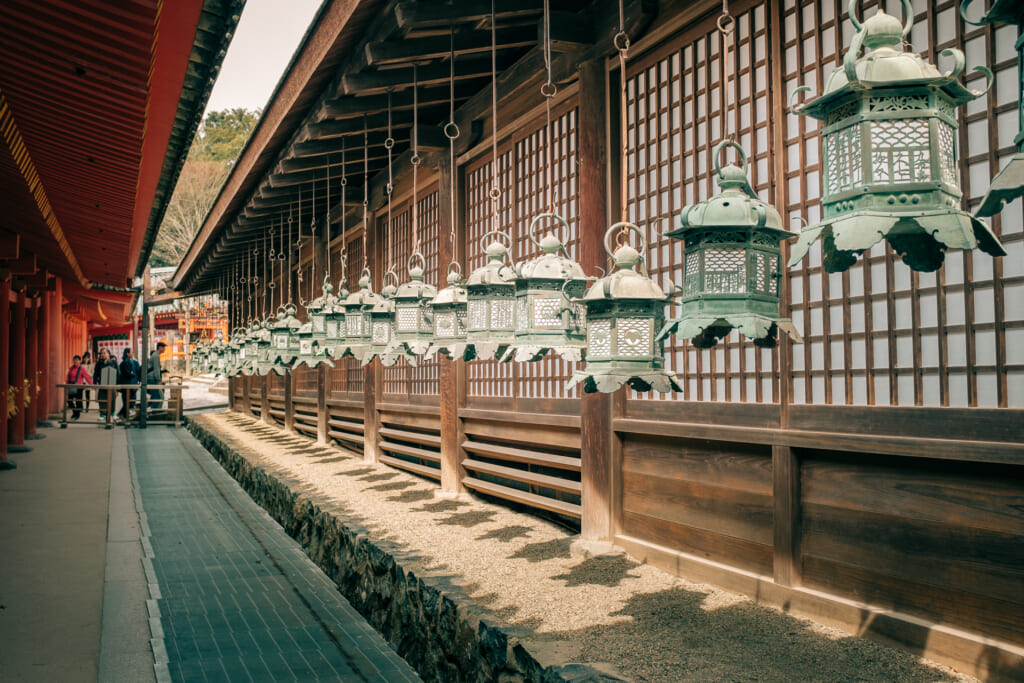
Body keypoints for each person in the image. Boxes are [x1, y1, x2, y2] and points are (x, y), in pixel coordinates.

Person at [65, 355, 93, 420]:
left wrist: (92, 385)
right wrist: (66, 385)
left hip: (79, 388)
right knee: (69, 401)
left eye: (77, 360)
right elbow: (68, 377)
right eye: (74, 360)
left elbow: (86, 377)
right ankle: (75, 412)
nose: (75, 361)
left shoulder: (82, 368)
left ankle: (77, 415)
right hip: (71, 387)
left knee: (78, 402)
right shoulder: (71, 368)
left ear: (80, 361)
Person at [94, 349, 119, 419]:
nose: (102, 355)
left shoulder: (113, 362)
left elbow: (118, 373)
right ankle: (103, 414)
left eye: (104, 353)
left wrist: (117, 385)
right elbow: (95, 374)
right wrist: (95, 383)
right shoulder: (99, 363)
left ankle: (112, 413)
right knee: (102, 399)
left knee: (112, 399)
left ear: (108, 354)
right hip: (102, 384)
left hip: (112, 384)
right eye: (101, 353)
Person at [118, 348, 141, 419]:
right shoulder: (124, 363)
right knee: (127, 401)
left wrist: (138, 378)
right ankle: (121, 414)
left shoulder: (134, 362)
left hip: (133, 384)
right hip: (127, 384)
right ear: (127, 353)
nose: (132, 353)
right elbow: (127, 373)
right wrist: (133, 374)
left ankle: (123, 415)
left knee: (129, 401)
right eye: (131, 352)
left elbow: (138, 371)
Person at [147, 341, 166, 411]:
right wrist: (158, 380)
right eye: (163, 348)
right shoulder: (155, 356)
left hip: (151, 378)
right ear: (159, 348)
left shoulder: (155, 355)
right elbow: (156, 369)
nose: (164, 349)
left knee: (155, 396)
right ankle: (154, 411)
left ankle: (152, 409)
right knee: (158, 396)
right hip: (152, 379)